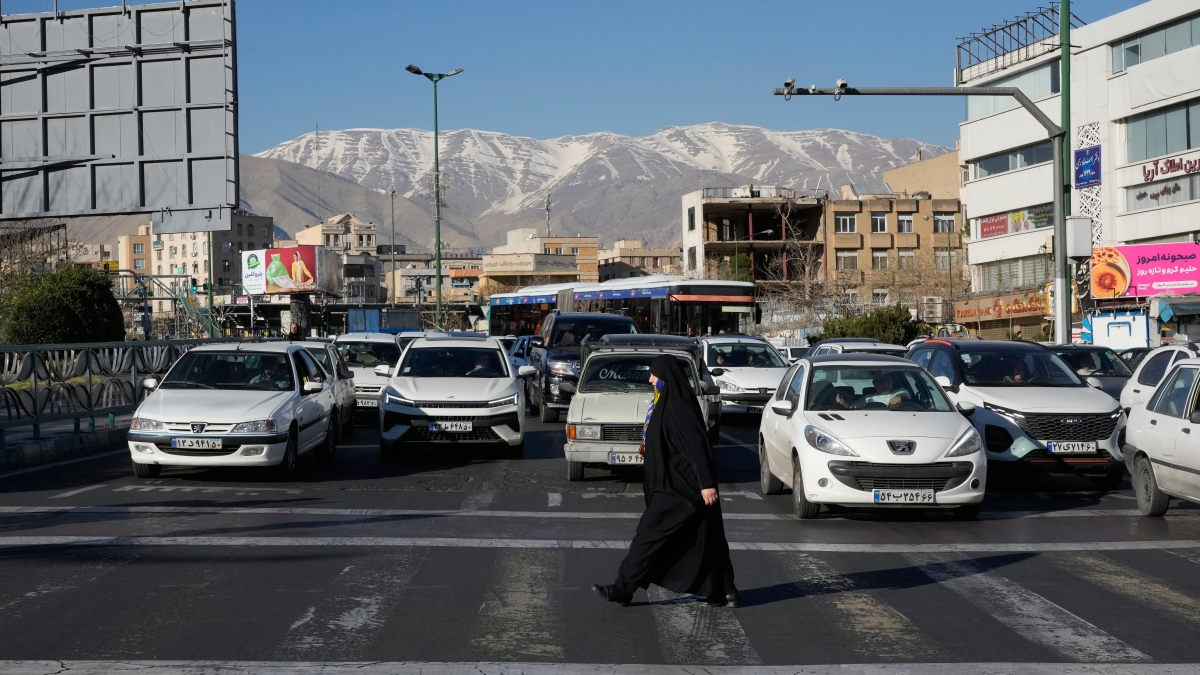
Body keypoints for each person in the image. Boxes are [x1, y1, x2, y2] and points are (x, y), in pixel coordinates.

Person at [593, 355, 738, 608]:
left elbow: (697, 446)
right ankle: (724, 590)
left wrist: (706, 483)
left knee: (647, 536)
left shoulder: (679, 406)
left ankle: (623, 587)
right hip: (675, 484)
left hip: (678, 488)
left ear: (666, 377)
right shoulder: (667, 402)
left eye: (654, 375)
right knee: (705, 538)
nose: (650, 379)